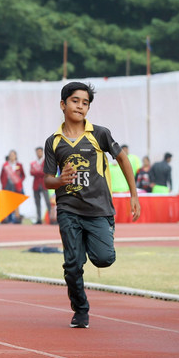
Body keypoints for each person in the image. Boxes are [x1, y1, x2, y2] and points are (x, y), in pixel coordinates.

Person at [43, 82, 139, 329]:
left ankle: (93, 237)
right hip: (68, 208)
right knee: (73, 264)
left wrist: (133, 194)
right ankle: (81, 310)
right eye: (75, 101)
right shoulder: (53, 142)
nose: (80, 106)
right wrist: (60, 180)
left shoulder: (100, 134)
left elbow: (123, 159)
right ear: (63, 104)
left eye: (85, 103)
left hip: (99, 210)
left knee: (104, 258)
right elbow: (47, 180)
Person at [0, 150, 26, 223]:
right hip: (8, 184)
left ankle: (17, 218)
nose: (12, 157)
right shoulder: (5, 165)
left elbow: (23, 175)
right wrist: (3, 184)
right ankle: (6, 219)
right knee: (7, 202)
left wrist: (19, 181)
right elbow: (1, 176)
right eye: (10, 155)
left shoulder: (19, 165)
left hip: (16, 185)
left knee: (16, 201)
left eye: (13, 155)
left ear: (16, 156)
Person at [30, 147, 51, 224]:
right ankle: (39, 219)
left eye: (40, 152)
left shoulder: (46, 162)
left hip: (44, 184)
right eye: (37, 152)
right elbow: (31, 172)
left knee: (47, 202)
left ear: (42, 153)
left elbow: (46, 171)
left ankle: (50, 219)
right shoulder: (33, 163)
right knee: (37, 203)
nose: (39, 153)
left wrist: (38, 172)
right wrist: (40, 172)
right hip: (36, 185)